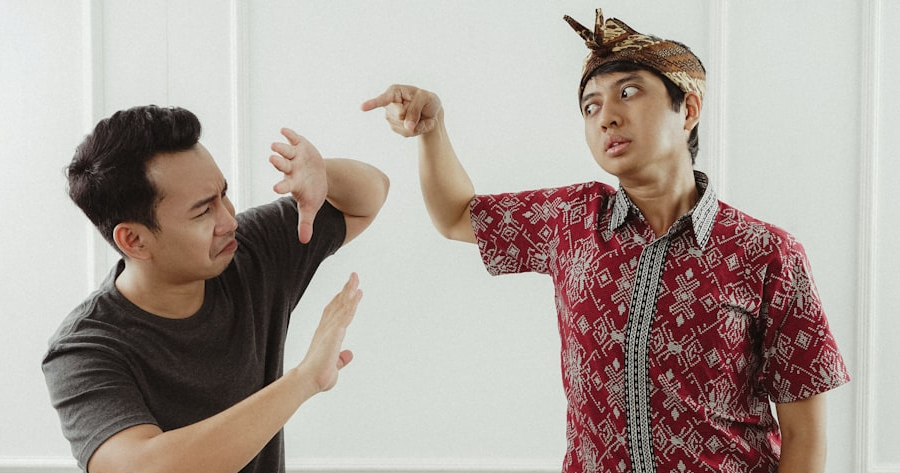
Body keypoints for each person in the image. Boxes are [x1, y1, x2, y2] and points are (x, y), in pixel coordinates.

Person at [362, 7, 849, 473]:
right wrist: (432, 130)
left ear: (688, 109)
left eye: (628, 92)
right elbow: (455, 215)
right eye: (590, 106)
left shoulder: (767, 253)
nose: (606, 117)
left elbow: (805, 435)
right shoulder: (572, 221)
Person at [42, 105, 389, 473]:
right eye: (202, 211)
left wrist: (324, 175)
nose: (228, 220)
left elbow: (369, 197)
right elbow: (142, 467)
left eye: (223, 195)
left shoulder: (250, 251)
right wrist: (304, 380)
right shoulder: (84, 349)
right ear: (134, 240)